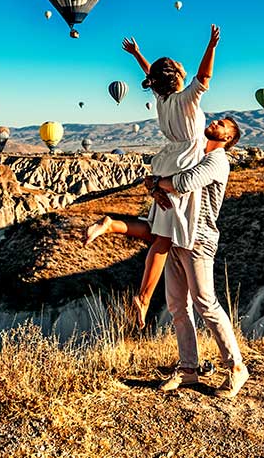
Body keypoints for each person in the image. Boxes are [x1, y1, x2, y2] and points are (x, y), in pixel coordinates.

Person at [84, 25, 220, 327]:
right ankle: (143, 299)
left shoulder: (161, 100)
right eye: (180, 66)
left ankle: (113, 225)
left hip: (167, 162)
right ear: (176, 77)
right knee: (165, 238)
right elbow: (205, 77)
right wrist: (211, 46)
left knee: (159, 233)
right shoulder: (187, 99)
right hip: (185, 164)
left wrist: (137, 55)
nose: (185, 67)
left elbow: (151, 74)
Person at [149, 116, 247, 397]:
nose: (216, 121)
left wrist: (157, 182)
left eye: (224, 124)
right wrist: (158, 183)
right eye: (219, 119)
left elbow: (184, 182)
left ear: (228, 138)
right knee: (178, 305)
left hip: (199, 240)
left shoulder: (217, 161)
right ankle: (188, 369)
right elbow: (169, 177)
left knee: (206, 303)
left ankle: (236, 367)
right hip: (177, 236)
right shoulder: (194, 155)